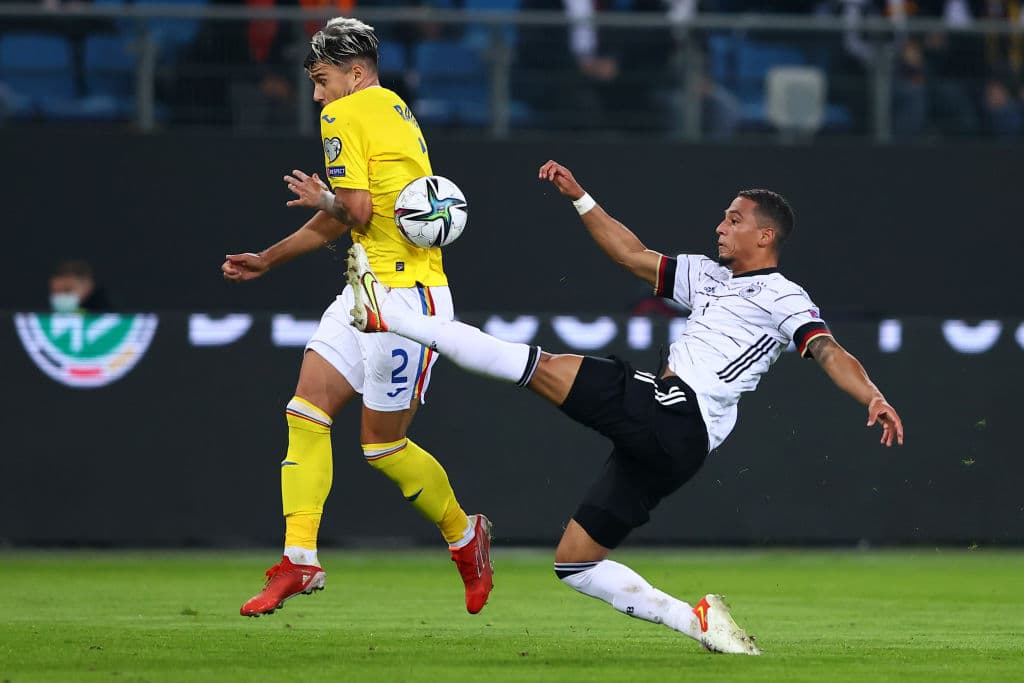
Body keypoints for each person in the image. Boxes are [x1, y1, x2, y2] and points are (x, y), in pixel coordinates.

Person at [344, 159, 905, 655]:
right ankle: (699, 621)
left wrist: (872, 394)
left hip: (677, 413)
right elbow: (630, 254)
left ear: (765, 236)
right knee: (575, 561)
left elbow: (826, 349)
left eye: (733, 219)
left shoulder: (783, 294)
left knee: (539, 367)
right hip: (678, 443)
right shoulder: (709, 277)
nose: (720, 226)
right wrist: (580, 197)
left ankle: (387, 314)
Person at [221, 17, 493, 618]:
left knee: (383, 446)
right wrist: (270, 257)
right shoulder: (393, 105)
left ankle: (465, 538)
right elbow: (353, 215)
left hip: (405, 302)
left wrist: (325, 199)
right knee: (305, 410)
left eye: (322, 80)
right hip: (365, 286)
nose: (317, 95)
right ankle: (299, 559)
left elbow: (355, 209)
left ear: (355, 73)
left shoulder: (343, 116)